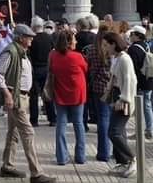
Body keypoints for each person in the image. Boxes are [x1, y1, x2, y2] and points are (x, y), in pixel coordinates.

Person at [0, 23, 56, 183]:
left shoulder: (22, 52)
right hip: (16, 98)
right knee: (28, 132)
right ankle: (36, 173)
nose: (32, 40)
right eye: (29, 37)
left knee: (13, 133)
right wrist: (7, 94)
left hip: (22, 97)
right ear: (21, 38)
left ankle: (7, 166)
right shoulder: (11, 52)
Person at [102, 31, 138, 178]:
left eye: (106, 45)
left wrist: (124, 99)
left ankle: (132, 159)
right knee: (119, 131)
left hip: (124, 97)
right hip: (116, 95)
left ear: (113, 44)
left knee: (114, 132)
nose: (104, 48)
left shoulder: (124, 59)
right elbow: (114, 78)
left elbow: (130, 81)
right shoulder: (115, 58)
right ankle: (123, 161)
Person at [50, 30, 88, 165]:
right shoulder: (77, 57)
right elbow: (85, 69)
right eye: (74, 39)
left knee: (61, 124)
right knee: (79, 124)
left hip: (60, 92)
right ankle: (81, 156)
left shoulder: (54, 56)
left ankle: (61, 156)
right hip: (77, 93)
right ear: (69, 42)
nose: (76, 41)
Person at [85, 27, 112, 162]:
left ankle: (103, 152)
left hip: (97, 87)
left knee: (102, 119)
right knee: (111, 119)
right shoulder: (112, 49)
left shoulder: (91, 49)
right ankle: (111, 149)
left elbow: (88, 68)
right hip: (111, 86)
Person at [126, 25, 153, 139]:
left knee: (138, 107)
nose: (130, 36)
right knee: (148, 106)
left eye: (132, 34)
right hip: (149, 79)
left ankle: (139, 132)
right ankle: (149, 130)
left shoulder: (133, 49)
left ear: (137, 35)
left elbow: (133, 67)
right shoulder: (148, 46)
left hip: (139, 82)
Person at [29, 16, 55, 127]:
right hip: (47, 68)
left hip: (34, 69)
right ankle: (52, 118)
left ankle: (34, 120)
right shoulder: (49, 38)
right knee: (48, 94)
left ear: (33, 27)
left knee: (34, 96)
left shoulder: (31, 39)